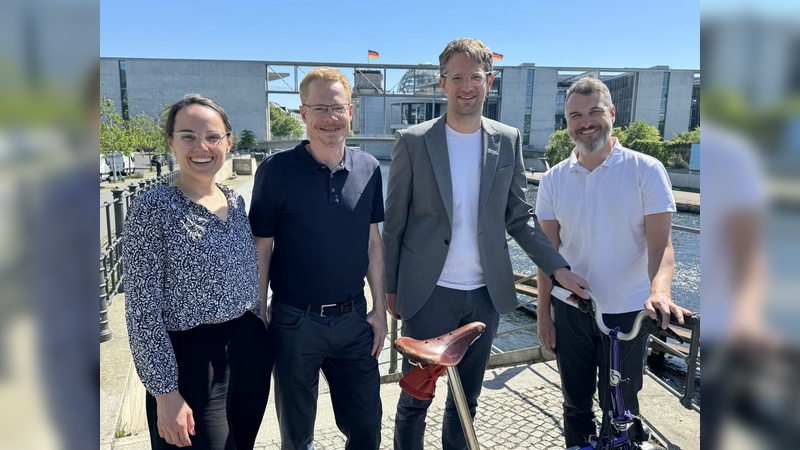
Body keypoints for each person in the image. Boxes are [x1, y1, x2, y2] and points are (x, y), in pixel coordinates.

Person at [382, 37, 589, 450]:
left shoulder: (507, 139)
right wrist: (390, 289)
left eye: (474, 77)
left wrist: (557, 267)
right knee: (415, 398)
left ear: (488, 82)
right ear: (442, 84)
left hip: (485, 295)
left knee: (467, 401)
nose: (466, 86)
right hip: (427, 292)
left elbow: (519, 217)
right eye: (456, 77)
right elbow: (395, 223)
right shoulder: (414, 140)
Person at [534, 77, 693, 448]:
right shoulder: (554, 179)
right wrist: (544, 315)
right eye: (575, 115)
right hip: (571, 310)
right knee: (574, 404)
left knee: (619, 406)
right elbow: (547, 254)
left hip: (627, 313)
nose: (585, 122)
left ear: (612, 114)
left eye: (594, 112)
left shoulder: (646, 169)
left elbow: (662, 246)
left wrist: (660, 290)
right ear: (566, 122)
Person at [123, 94, 274, 449]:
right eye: (188, 136)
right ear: (171, 142)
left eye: (212, 136)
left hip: (247, 346)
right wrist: (165, 393)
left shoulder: (234, 200)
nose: (201, 147)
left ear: (228, 142)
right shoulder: (152, 209)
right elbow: (141, 311)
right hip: (190, 358)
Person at [248, 67, 387, 450]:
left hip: (354, 321)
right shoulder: (275, 172)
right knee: (297, 437)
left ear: (351, 112)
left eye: (337, 108)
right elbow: (263, 245)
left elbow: (373, 241)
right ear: (303, 113)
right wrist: (260, 312)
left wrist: (379, 309)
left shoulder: (369, 168)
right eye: (319, 108)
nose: (330, 118)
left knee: (366, 428)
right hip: (295, 323)